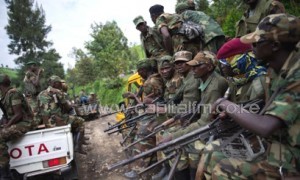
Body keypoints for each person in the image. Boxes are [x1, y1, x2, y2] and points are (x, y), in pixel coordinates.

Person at [201, 14, 300, 179]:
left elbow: (265, 126)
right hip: (279, 150)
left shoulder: (296, 75)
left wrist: (225, 104)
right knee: (214, 156)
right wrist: (234, 114)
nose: (251, 48)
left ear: (275, 45)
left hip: (292, 161)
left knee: (222, 169)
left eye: (256, 43)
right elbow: (267, 109)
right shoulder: (274, 71)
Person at [159, 51, 229, 179]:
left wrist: (174, 137)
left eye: (197, 66)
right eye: (193, 66)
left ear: (209, 67)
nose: (193, 69)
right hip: (212, 125)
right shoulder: (206, 81)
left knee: (184, 145)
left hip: (219, 130)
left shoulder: (214, 86)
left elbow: (205, 122)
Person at [124, 59, 165, 179]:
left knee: (141, 135)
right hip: (157, 111)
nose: (139, 73)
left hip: (156, 113)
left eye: (140, 70)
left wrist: (134, 97)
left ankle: (138, 170)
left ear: (145, 70)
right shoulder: (155, 79)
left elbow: (146, 103)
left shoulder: (150, 82)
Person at [37, 75, 87, 155]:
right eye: (59, 83)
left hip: (47, 123)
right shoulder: (58, 92)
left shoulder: (40, 94)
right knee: (81, 122)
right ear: (55, 83)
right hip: (57, 121)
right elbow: (67, 108)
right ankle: (78, 147)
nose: (61, 85)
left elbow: (39, 110)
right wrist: (72, 106)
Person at [0, 74, 33, 179]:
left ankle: (6, 175)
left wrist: (7, 126)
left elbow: (18, 114)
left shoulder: (14, 93)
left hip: (25, 122)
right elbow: (7, 116)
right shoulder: (5, 96)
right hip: (17, 123)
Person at [217, 37, 267, 102]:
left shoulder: (258, 81)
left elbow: (253, 110)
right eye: (221, 63)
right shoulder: (235, 80)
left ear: (241, 60)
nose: (222, 66)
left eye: (226, 62)